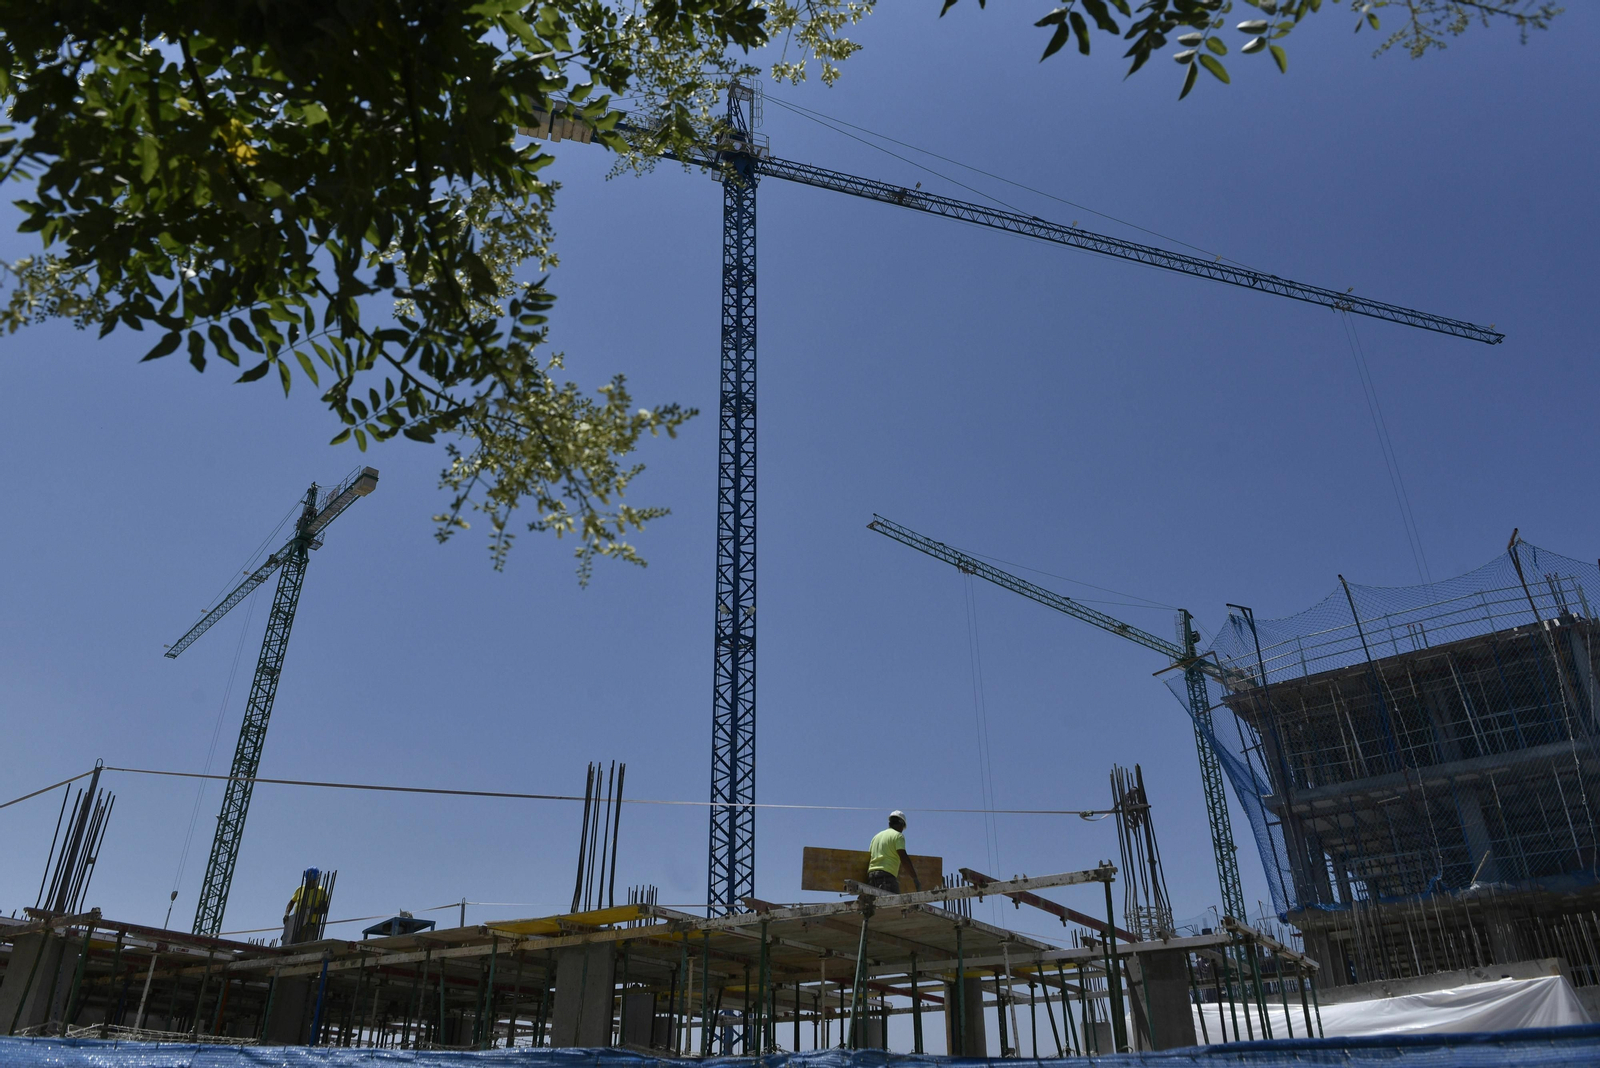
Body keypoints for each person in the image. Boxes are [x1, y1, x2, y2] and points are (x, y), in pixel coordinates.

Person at [866, 811, 921, 894]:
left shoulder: (876, 837)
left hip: (871, 878)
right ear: (901, 824)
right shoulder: (898, 836)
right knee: (896, 906)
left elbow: (869, 858)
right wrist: (915, 878)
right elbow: (903, 857)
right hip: (887, 878)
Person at [282, 868, 330, 945]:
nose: (311, 883)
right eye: (309, 881)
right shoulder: (300, 889)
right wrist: (286, 913)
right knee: (291, 946)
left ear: (317, 880)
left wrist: (312, 911)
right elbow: (291, 902)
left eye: (313, 881)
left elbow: (324, 909)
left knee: (304, 948)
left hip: (310, 927)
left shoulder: (320, 891)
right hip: (297, 926)